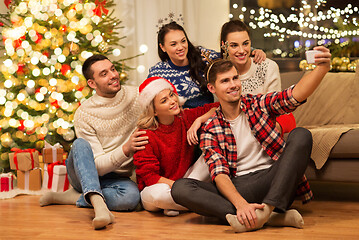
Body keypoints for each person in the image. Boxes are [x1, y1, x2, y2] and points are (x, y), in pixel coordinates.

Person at [171, 46, 331, 233]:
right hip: (240, 187)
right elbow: (219, 173)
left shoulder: (257, 104)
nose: (233, 84)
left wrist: (322, 68)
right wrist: (240, 204)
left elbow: (293, 96)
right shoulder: (210, 128)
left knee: (301, 134)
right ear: (212, 88)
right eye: (225, 81)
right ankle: (270, 217)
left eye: (235, 78)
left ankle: (268, 209)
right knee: (180, 188)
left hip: (274, 180)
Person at [39, 55, 149, 230]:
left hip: (118, 178)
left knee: (130, 199)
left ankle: (73, 198)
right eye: (104, 74)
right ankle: (100, 207)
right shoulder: (85, 113)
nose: (113, 75)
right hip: (84, 172)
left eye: (113, 69)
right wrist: (126, 149)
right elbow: (96, 166)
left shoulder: (137, 95)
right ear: (92, 83)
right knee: (80, 144)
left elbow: (166, 101)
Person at [133, 76, 219, 216]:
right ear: (154, 111)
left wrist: (199, 120)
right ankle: (202, 203)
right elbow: (150, 177)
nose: (172, 101)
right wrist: (182, 189)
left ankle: (178, 205)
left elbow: (217, 107)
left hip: (186, 181)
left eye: (171, 95)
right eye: (164, 100)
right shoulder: (145, 135)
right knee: (158, 195)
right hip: (156, 190)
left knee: (211, 153)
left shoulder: (185, 117)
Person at [148, 21, 266, 109]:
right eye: (173, 44)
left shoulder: (203, 56)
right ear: (162, 47)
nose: (181, 47)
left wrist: (254, 50)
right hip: (181, 126)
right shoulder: (157, 72)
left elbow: (229, 53)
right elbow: (150, 107)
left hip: (210, 119)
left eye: (183, 41)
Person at [220, 19, 296, 134]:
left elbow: (274, 108)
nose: (241, 51)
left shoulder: (267, 66)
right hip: (234, 126)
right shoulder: (219, 73)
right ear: (224, 46)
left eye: (245, 44)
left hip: (267, 122)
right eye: (234, 45)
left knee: (287, 119)